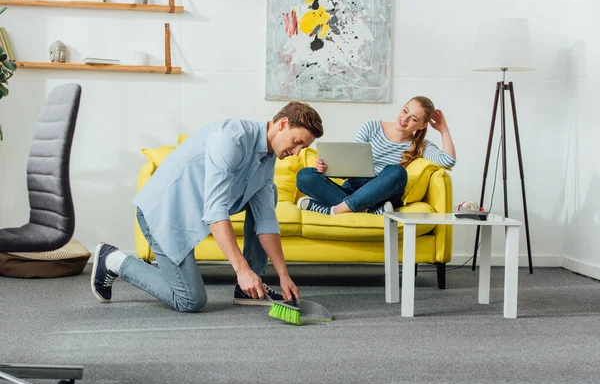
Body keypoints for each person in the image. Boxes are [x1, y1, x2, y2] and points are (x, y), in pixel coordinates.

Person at [90, 102, 324, 312]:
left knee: (267, 195)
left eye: (302, 148)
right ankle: (113, 259)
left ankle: (249, 288)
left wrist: (283, 275)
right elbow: (215, 211)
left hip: (193, 212)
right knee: (190, 300)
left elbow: (265, 220)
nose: (296, 153)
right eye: (297, 142)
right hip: (164, 213)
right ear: (282, 124)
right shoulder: (231, 140)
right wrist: (241, 269)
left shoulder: (267, 159)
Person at [296, 96, 455, 216]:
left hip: (381, 194)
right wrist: (326, 168)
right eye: (405, 111)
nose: (404, 119)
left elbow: (448, 160)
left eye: (413, 119)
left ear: (422, 125)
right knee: (305, 176)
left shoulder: (421, 145)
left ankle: (335, 210)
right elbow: (351, 164)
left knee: (397, 172)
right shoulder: (372, 127)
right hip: (354, 188)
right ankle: (365, 210)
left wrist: (443, 129)